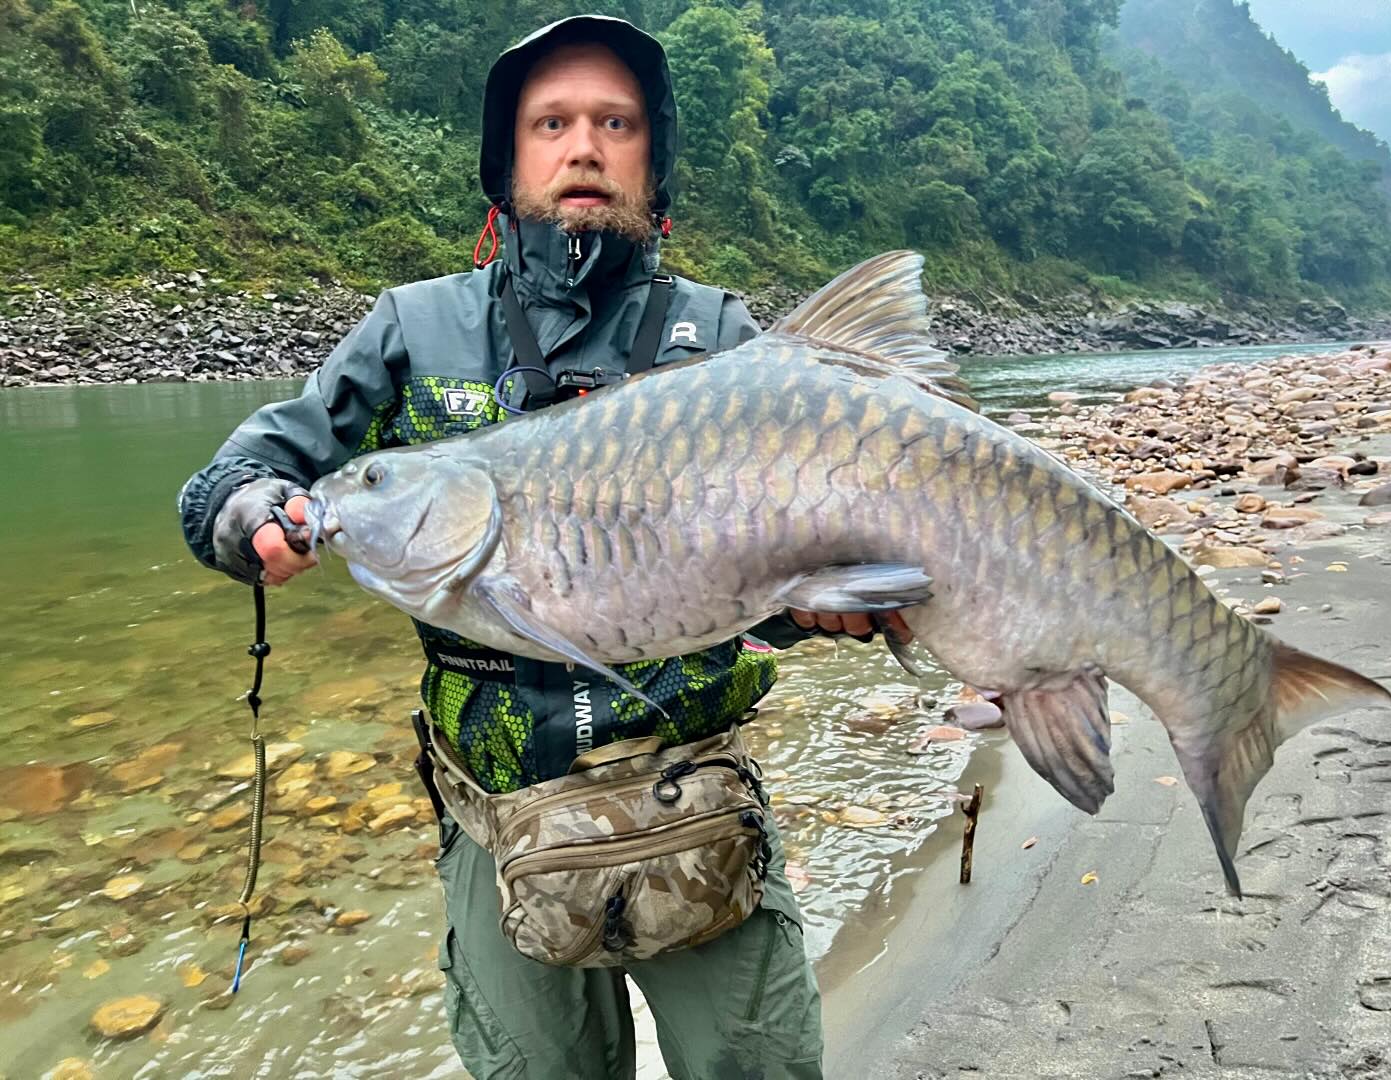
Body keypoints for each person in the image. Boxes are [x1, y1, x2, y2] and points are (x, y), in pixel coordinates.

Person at [179, 16, 905, 1078]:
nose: (582, 147)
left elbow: (786, 581)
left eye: (615, 123)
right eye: (550, 122)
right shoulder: (412, 331)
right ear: (507, 157)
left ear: (652, 160)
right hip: (496, 811)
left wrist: (820, 610)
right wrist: (253, 521)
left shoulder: (731, 345)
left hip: (692, 794)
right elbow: (237, 478)